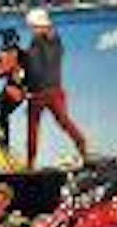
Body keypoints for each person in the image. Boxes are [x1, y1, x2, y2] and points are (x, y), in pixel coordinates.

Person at [23, 8, 88, 169]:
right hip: (49, 90)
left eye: (34, 26)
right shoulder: (50, 42)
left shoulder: (42, 43)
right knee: (54, 123)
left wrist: (27, 85)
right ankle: (31, 162)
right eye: (32, 27)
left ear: (41, 26)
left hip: (44, 92)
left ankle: (31, 163)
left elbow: (36, 69)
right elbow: (38, 67)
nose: (32, 30)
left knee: (42, 125)